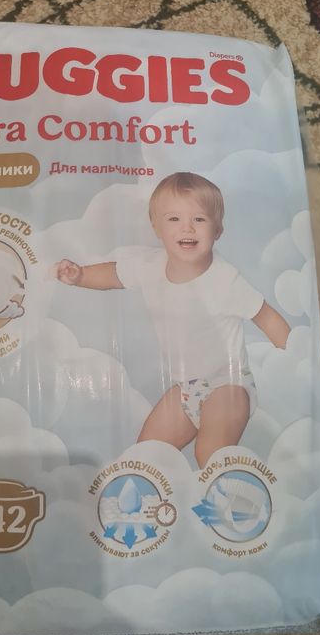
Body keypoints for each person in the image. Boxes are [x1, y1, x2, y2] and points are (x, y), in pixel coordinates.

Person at [54, 172, 290, 468]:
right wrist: (80, 276)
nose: (187, 227)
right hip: (186, 389)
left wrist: (290, 356)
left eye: (199, 219)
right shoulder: (149, 265)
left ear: (218, 229)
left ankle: (226, 494)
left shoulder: (224, 279)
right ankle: (147, 492)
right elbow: (113, 274)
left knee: (210, 452)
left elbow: (266, 317)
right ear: (156, 227)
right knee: (146, 454)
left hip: (228, 385)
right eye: (174, 219)